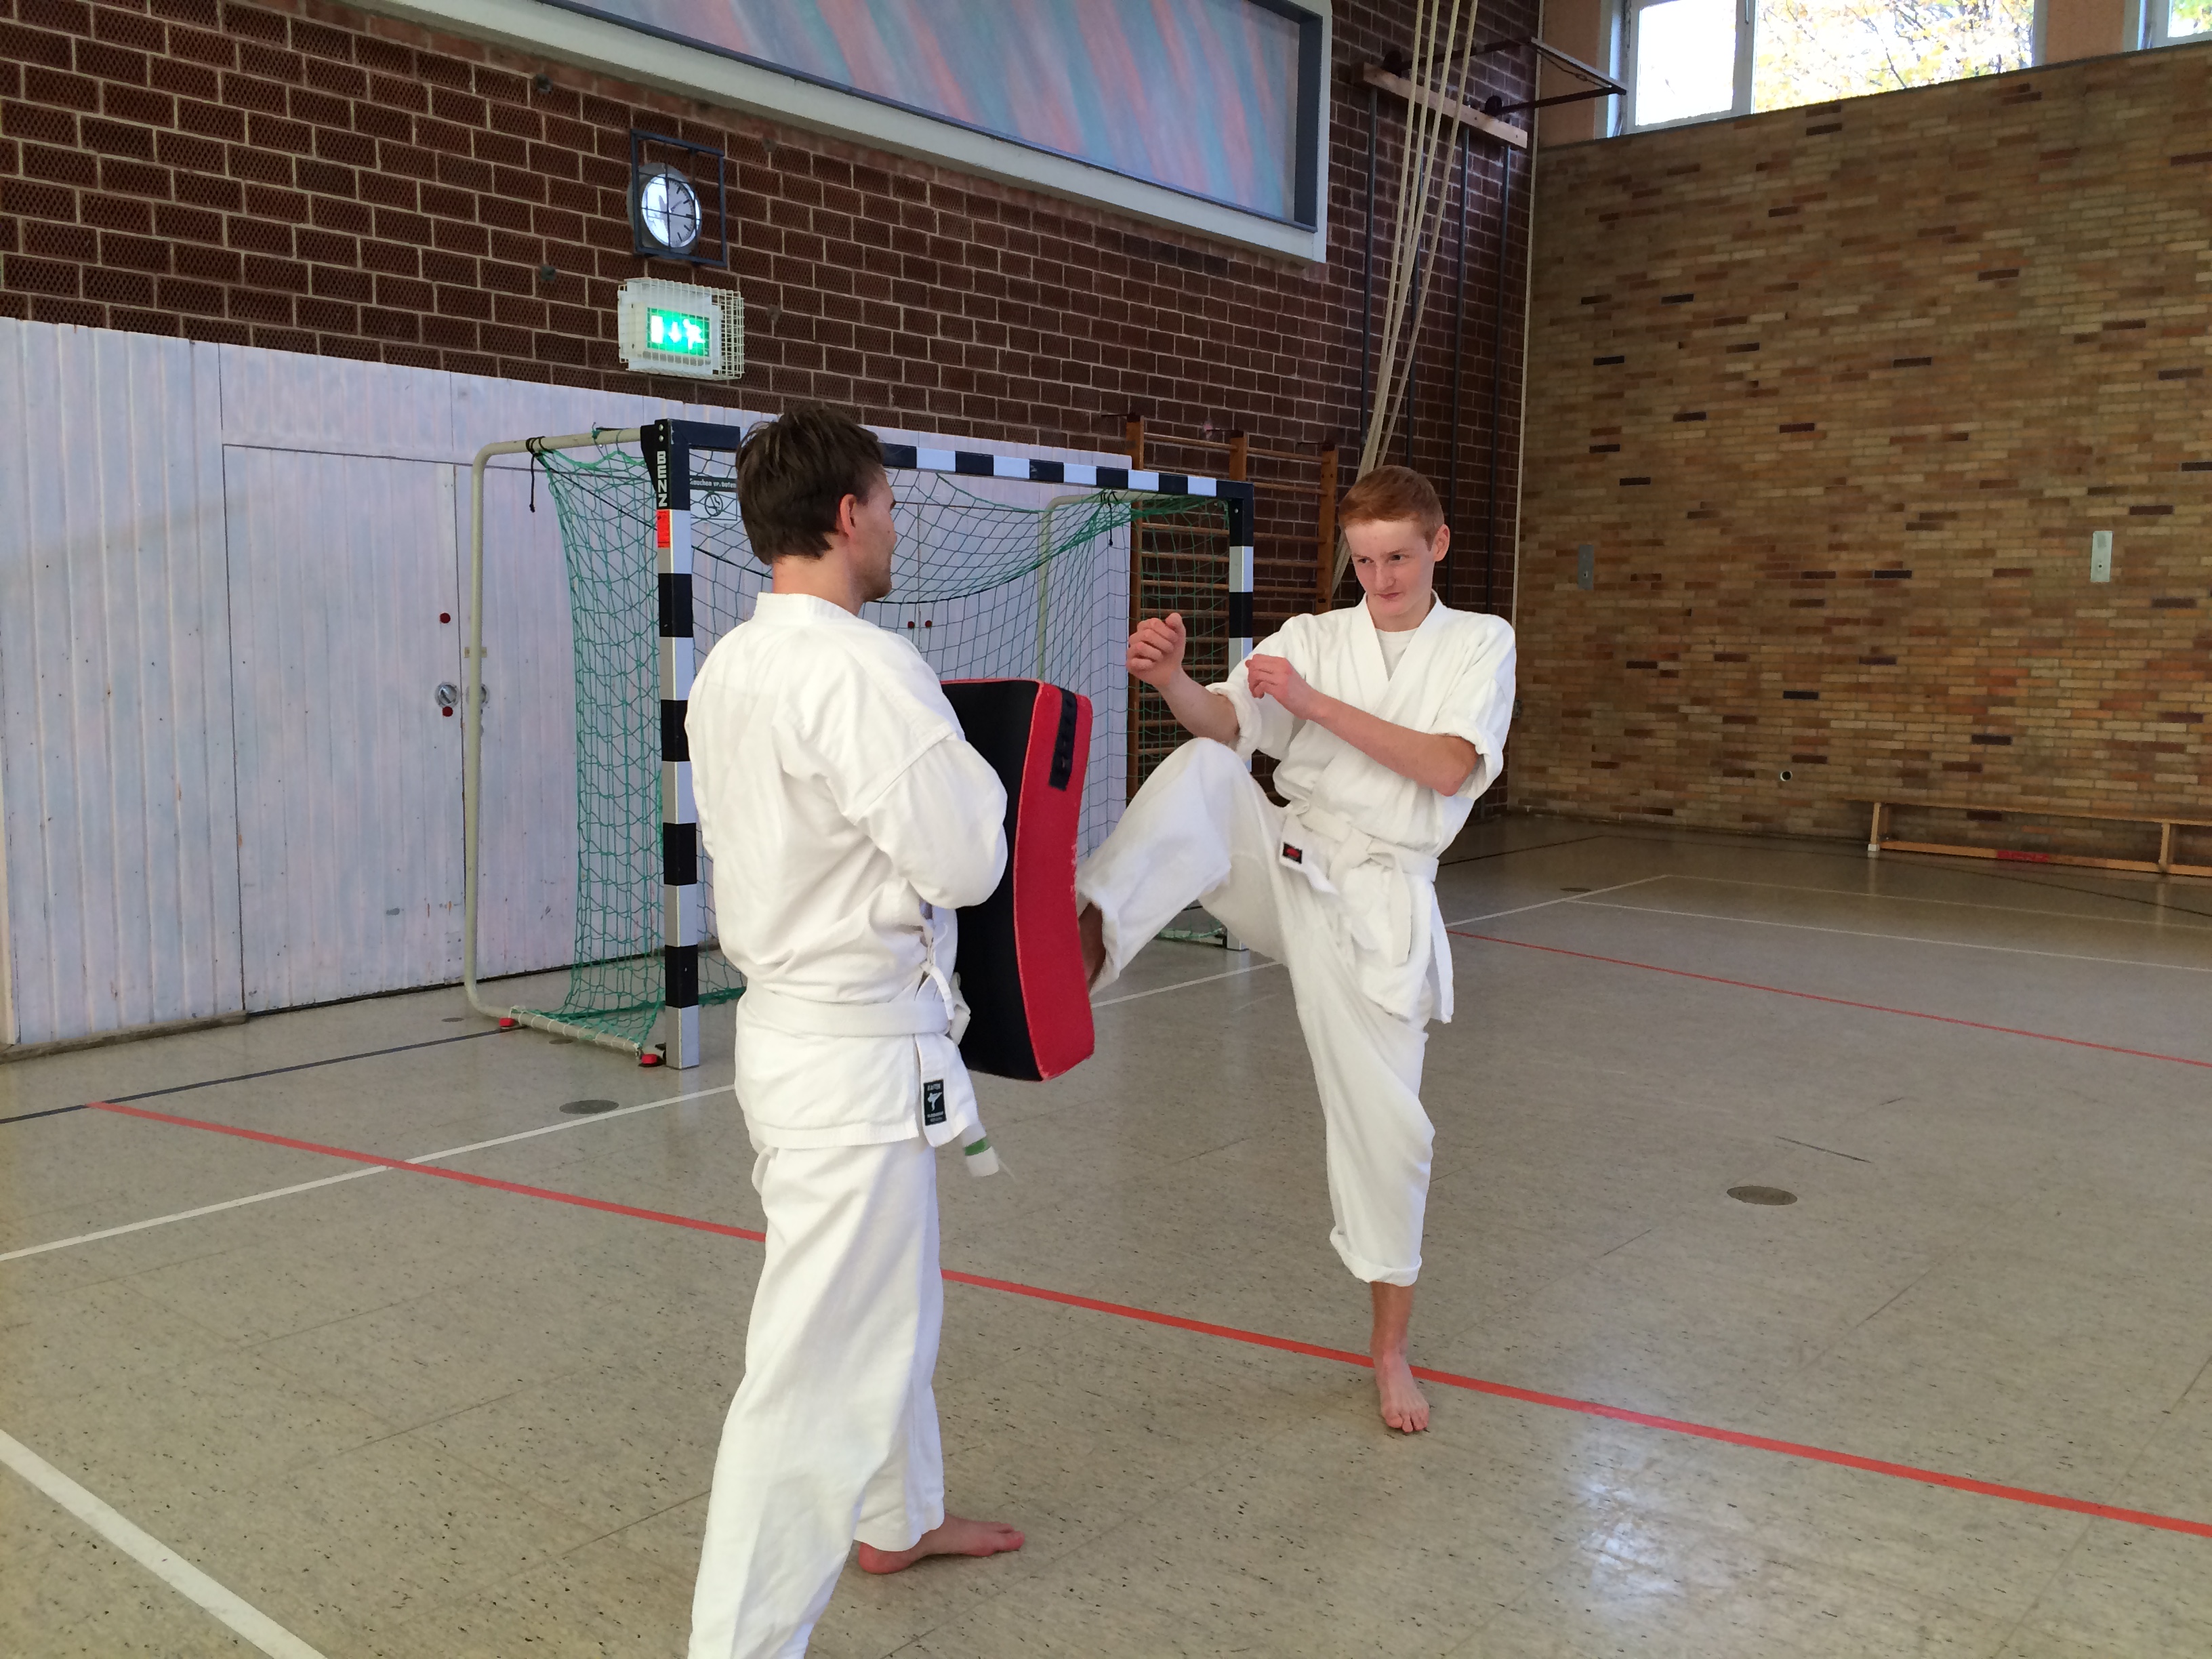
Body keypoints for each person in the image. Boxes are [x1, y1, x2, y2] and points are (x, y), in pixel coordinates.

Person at [1076, 464, 1515, 1435]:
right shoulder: (1313, 637)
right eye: (1365, 561)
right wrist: (1173, 680)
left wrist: (1315, 708)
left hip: (1382, 903)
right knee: (1203, 770)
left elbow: (1449, 766)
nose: (1381, 579)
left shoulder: (1481, 641)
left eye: (1399, 558)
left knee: (1391, 1137)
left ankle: (1389, 1350)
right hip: (1287, 861)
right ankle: (1081, 950)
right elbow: (1229, 724)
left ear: (1438, 545)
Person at [684, 406, 1023, 1659]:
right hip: (851, 1055)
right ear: (847, 513)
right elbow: (965, 861)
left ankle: (896, 1518)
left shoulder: (732, 662)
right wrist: (982, 775)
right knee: (817, 1374)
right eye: (885, 503)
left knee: (892, 1306)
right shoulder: (864, 668)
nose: (893, 526)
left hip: (794, 1040)